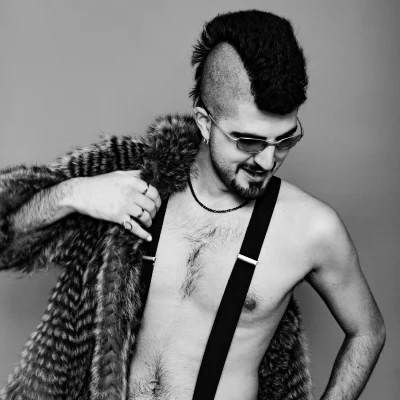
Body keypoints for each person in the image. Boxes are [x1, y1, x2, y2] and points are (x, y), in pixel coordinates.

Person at [0, 9, 385, 400]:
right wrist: (73, 194)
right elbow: (7, 243)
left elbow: (367, 331)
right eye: (249, 141)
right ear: (204, 122)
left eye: (285, 140)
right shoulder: (131, 182)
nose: (268, 160)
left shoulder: (312, 228)